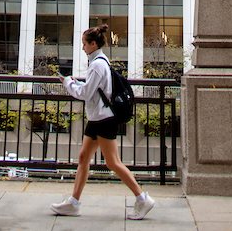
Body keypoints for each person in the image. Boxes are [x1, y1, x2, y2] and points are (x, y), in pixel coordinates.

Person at [50, 24, 155, 220]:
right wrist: (77, 83)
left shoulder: (97, 65)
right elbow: (94, 89)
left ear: (92, 44)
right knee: (83, 158)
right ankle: (73, 203)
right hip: (97, 117)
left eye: (84, 44)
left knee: (113, 162)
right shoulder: (99, 62)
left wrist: (67, 83)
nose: (82, 47)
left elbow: (86, 94)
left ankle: (142, 198)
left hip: (103, 119)